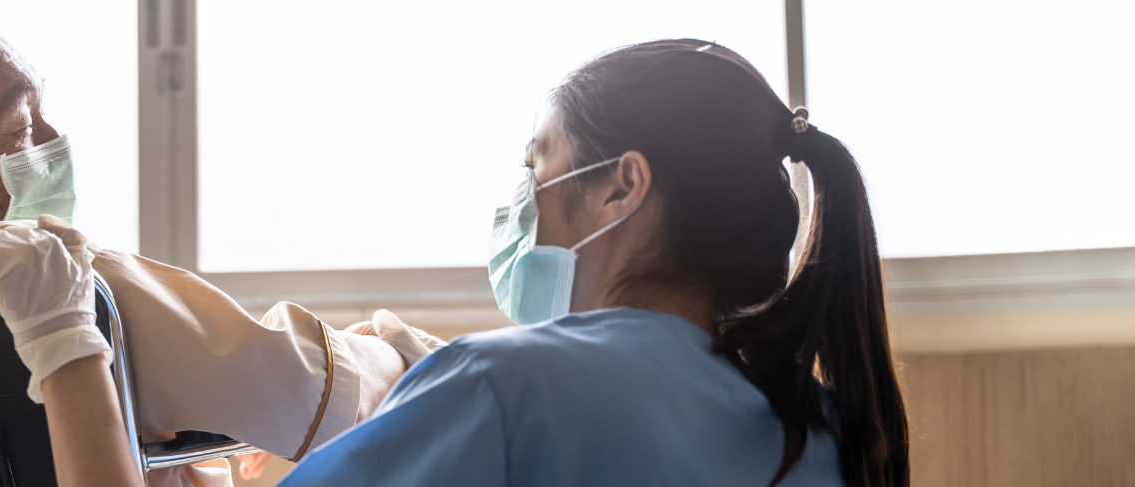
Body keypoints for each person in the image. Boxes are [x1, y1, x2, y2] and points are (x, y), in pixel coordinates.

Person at [0, 1, 441, 485]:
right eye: (21, 126)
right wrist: (390, 344)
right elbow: (317, 395)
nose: (53, 141)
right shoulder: (53, 284)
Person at [270, 40, 909, 486]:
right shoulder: (825, 428)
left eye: (535, 166)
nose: (523, 201)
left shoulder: (496, 390)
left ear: (621, 186)